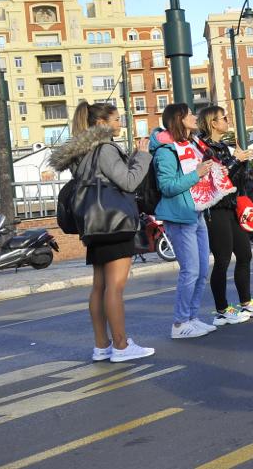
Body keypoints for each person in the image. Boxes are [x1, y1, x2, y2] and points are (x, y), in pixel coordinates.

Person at [49, 101, 154, 362]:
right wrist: (142, 155)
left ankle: (102, 345)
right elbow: (128, 182)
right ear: (101, 124)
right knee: (115, 287)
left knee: (99, 287)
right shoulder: (105, 148)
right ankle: (120, 346)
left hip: (93, 225)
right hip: (114, 224)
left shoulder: (82, 153)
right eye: (116, 119)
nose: (121, 124)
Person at [197, 106, 253, 326]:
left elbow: (232, 179)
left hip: (231, 206)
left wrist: (244, 163)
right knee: (222, 259)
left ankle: (246, 301)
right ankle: (221, 309)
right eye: (224, 118)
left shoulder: (223, 147)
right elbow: (216, 176)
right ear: (213, 123)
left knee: (245, 253)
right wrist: (235, 160)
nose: (227, 121)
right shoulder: (203, 147)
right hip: (215, 209)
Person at [152, 104, 220, 339]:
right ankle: (180, 323)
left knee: (201, 271)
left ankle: (191, 317)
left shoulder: (190, 145)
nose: (194, 117)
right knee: (190, 271)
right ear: (178, 120)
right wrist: (197, 174)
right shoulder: (166, 151)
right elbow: (167, 187)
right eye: (189, 114)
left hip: (197, 211)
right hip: (179, 216)